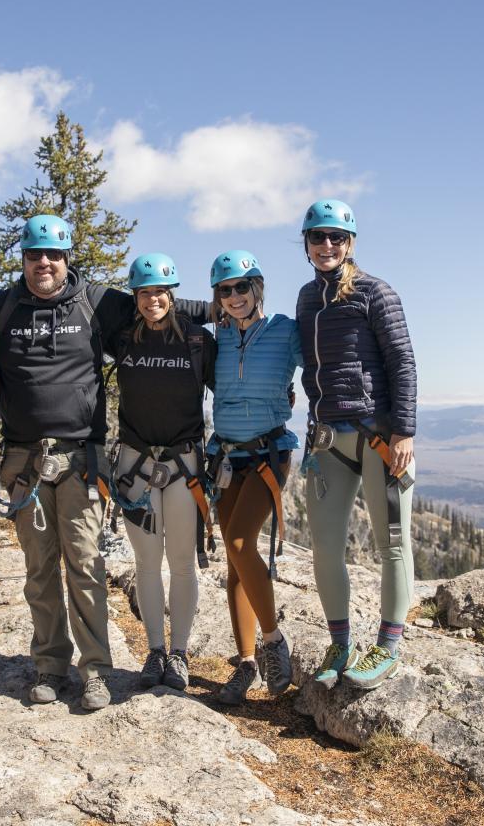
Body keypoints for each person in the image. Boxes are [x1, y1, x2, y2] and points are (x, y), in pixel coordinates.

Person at [0, 214, 210, 711]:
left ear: (67, 259)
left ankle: (96, 670)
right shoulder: (1, 308)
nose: (44, 263)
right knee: (38, 566)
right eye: (35, 255)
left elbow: (160, 301)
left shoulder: (97, 301)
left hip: (82, 457)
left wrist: (228, 309)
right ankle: (48, 664)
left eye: (54, 255)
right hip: (23, 459)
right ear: (22, 259)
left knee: (85, 563)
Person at [295, 199, 417, 691]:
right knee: (325, 548)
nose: (327, 245)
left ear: (350, 244)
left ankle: (387, 646)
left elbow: (403, 362)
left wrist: (405, 431)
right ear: (306, 244)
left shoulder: (375, 292)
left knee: (392, 544)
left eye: (336, 238)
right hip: (328, 438)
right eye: (318, 237)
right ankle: (339, 642)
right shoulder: (307, 298)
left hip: (379, 438)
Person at [110, 253, 216, 691]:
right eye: (144, 292)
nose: (153, 299)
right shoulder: (123, 340)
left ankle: (180, 653)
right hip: (136, 465)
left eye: (160, 292)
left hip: (183, 464)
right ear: (134, 296)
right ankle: (155, 651)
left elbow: (226, 391)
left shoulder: (197, 342)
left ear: (173, 295)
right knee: (147, 563)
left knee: (183, 564)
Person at [204, 250, 301, 706]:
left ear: (258, 286)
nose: (234, 296)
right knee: (235, 562)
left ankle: (273, 641)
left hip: (269, 452)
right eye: (225, 290)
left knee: (242, 542)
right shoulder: (216, 338)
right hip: (225, 456)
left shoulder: (285, 331)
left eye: (242, 286)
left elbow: (323, 363)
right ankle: (245, 664)